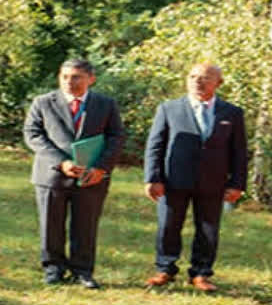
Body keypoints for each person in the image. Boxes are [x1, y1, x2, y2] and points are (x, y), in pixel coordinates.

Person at [143, 63, 247, 292]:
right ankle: (165, 269)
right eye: (192, 76)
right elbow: (155, 146)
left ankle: (201, 273)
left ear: (218, 83)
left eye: (205, 77)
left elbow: (239, 152)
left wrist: (237, 183)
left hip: (213, 182)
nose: (198, 81)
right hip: (173, 180)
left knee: (208, 229)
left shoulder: (232, 113)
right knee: (168, 226)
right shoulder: (169, 108)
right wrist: (152, 178)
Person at [23, 59, 125, 289]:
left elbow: (116, 137)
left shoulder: (105, 104)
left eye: (76, 77)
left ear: (91, 79)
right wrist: (61, 162)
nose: (70, 82)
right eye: (65, 77)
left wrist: (102, 168)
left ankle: (83, 271)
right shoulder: (43, 102)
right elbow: (33, 134)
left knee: (86, 226)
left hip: (92, 176)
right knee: (51, 225)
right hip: (52, 175)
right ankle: (53, 269)